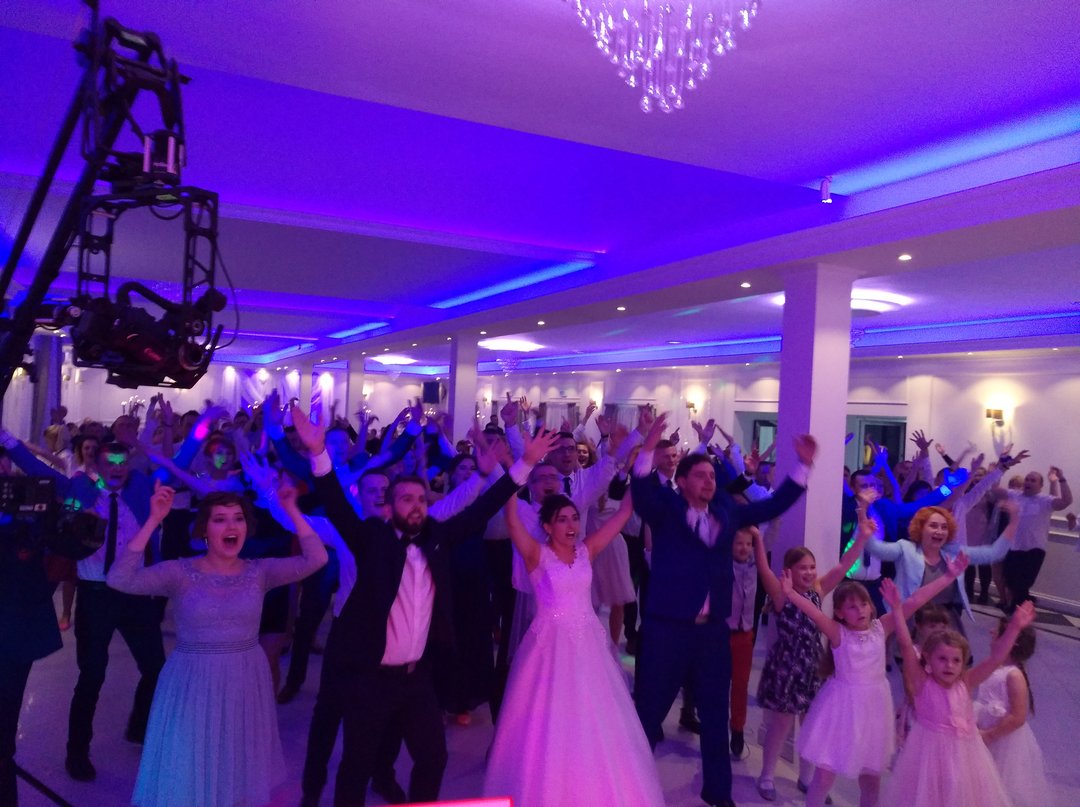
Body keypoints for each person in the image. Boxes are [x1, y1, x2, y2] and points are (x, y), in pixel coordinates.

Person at [291, 404, 556, 807]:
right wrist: (317, 453)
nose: (415, 505)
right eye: (405, 499)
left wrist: (525, 464)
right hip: (371, 676)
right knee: (356, 764)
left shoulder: (437, 537)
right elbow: (337, 506)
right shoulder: (372, 540)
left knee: (433, 758)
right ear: (390, 507)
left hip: (417, 678)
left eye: (420, 498)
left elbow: (481, 509)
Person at [630, 412, 817, 807]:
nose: (708, 481)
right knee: (649, 710)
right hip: (668, 627)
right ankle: (627, 783)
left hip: (713, 630)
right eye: (700, 475)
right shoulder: (665, 507)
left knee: (715, 713)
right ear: (682, 482)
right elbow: (642, 489)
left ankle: (718, 792)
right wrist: (648, 445)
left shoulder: (728, 512)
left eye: (712, 476)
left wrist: (803, 466)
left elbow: (773, 506)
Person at [106, 481, 327, 807]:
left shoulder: (260, 571)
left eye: (238, 518)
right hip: (192, 681)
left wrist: (293, 510)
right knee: (190, 760)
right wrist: (153, 520)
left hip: (245, 679)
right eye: (220, 519)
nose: (231, 526)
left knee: (236, 760)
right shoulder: (179, 572)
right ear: (204, 530)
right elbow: (119, 578)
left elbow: (317, 558)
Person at [483, 491, 664, 806]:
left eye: (575, 518)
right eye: (562, 520)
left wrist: (638, 470)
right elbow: (511, 521)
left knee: (596, 717)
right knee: (550, 721)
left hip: (589, 646)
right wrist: (514, 476)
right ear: (547, 526)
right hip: (549, 649)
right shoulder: (536, 555)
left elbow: (623, 514)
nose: (571, 526)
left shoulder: (586, 550)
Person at [789, 557, 971, 807]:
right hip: (842, 710)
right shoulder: (838, 633)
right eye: (852, 607)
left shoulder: (880, 628)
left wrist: (948, 577)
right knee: (824, 775)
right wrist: (791, 593)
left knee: (871, 780)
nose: (861, 611)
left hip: (874, 711)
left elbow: (915, 601)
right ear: (840, 613)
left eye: (864, 604)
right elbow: (814, 613)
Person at [752, 493, 877, 802]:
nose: (809, 573)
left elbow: (844, 564)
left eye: (811, 567)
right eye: (802, 568)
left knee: (813, 725)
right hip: (786, 665)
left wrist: (861, 536)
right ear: (789, 571)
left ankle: (806, 778)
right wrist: (756, 539)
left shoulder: (818, 590)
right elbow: (763, 569)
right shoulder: (781, 594)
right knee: (781, 723)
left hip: (813, 665)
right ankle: (767, 775)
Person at [883, 594, 1036, 807]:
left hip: (964, 753)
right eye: (942, 659)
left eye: (956, 660)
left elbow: (996, 658)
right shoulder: (922, 682)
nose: (949, 665)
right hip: (929, 751)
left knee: (961, 795)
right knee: (928, 795)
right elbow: (906, 645)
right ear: (927, 658)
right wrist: (898, 612)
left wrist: (1015, 628)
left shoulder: (965, 682)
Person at [864, 498, 1020, 634]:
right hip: (911, 621)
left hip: (945, 622)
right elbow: (876, 549)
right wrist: (864, 521)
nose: (939, 531)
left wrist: (1014, 521)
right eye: (933, 526)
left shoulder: (954, 553)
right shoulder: (905, 548)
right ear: (921, 528)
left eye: (944, 527)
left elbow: (994, 553)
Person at [973, 618, 1052, 807]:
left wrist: (989, 735)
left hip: (1001, 739)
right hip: (983, 730)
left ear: (1012, 640)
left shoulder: (1013, 675)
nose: (991, 632)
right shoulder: (994, 667)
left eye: (998, 631)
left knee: (998, 782)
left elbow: (1018, 716)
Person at [1001, 465, 1072, 610]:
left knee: (1022, 584)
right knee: (1010, 581)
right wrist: (1000, 468)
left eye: (1033, 480)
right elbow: (994, 492)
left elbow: (1066, 501)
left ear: (1040, 485)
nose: (1028, 482)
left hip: (1034, 550)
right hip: (1013, 547)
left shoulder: (1045, 500)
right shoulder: (1015, 495)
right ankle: (1024, 604)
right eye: (1027, 479)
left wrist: (1061, 479)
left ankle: (1016, 612)